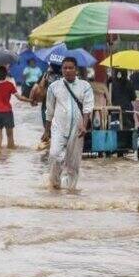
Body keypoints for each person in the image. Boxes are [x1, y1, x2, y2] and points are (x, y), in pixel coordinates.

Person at [44, 56, 94, 190]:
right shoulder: (54, 87)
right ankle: (55, 184)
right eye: (64, 68)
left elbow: (88, 108)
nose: (67, 70)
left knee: (73, 162)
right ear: (61, 69)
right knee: (54, 155)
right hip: (58, 126)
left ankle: (71, 191)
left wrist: (84, 124)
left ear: (76, 70)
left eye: (70, 68)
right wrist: (46, 131)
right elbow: (49, 110)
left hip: (77, 128)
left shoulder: (85, 86)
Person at [0, 66, 30, 152]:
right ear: (6, 75)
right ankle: (9, 159)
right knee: (10, 136)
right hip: (7, 113)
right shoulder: (10, 85)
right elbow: (19, 98)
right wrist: (30, 100)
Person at [30, 60, 61, 151]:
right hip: (61, 106)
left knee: (48, 129)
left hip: (47, 105)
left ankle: (48, 150)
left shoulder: (46, 75)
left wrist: (32, 100)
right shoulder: (65, 76)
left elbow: (36, 88)